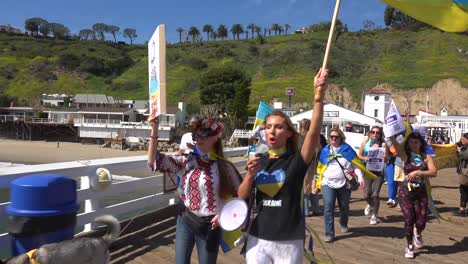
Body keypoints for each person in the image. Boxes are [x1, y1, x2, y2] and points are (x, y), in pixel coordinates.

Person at [238, 68, 328, 264]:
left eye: (279, 127)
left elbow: (313, 132)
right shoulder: (258, 161)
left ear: (288, 133)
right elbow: (241, 196)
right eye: (268, 126)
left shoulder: (297, 160)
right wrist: (249, 175)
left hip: (289, 240)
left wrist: (318, 98)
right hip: (258, 238)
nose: (272, 131)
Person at [147, 116, 242, 264]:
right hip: (186, 220)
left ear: (216, 138)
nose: (199, 138)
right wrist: (154, 129)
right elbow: (154, 161)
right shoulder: (186, 161)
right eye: (196, 135)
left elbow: (241, 197)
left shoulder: (226, 167)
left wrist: (224, 215)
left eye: (204, 135)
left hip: (211, 226)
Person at [389, 132, 437, 259]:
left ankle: (418, 232)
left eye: (416, 142)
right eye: (411, 142)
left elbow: (433, 172)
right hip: (405, 192)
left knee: (421, 221)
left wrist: (418, 172)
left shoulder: (426, 156)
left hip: (421, 192)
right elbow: (396, 145)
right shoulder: (405, 155)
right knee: (409, 219)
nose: (413, 144)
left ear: (420, 143)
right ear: (408, 144)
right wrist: (392, 135)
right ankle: (410, 246)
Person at [316, 128, 366, 242]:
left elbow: (356, 165)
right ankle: (329, 234)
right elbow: (320, 168)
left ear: (341, 138)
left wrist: (361, 178)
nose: (333, 138)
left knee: (344, 207)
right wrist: (317, 181)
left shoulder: (348, 150)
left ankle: (343, 222)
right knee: (328, 207)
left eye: (336, 137)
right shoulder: (325, 151)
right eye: (331, 136)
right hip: (327, 182)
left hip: (344, 183)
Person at [358, 126, 388, 225]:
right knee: (366, 194)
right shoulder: (365, 143)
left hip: (379, 171)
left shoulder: (383, 144)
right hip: (367, 170)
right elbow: (359, 155)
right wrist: (365, 158)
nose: (375, 134)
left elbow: (387, 159)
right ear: (370, 133)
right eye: (373, 132)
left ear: (380, 135)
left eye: (377, 133)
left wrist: (385, 156)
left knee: (375, 194)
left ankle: (374, 216)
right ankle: (370, 204)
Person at [300, 119, 323, 217]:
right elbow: (320, 149)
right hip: (314, 164)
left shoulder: (299, 137)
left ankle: (305, 211)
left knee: (305, 189)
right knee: (314, 187)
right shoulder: (315, 136)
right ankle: (316, 209)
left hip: (303, 164)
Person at [456, 133, 468, 217]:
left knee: (464, 190)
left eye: (463, 139)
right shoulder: (464, 147)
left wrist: (459, 151)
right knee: (463, 190)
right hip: (464, 171)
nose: (462, 141)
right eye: (461, 139)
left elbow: (465, 156)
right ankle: (462, 209)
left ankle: (462, 209)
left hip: (466, 172)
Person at [385, 138, 398, 207]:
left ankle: (397, 197)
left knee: (399, 181)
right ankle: (391, 197)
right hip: (391, 162)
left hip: (401, 161)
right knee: (390, 181)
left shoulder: (402, 138)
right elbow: (386, 155)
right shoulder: (387, 141)